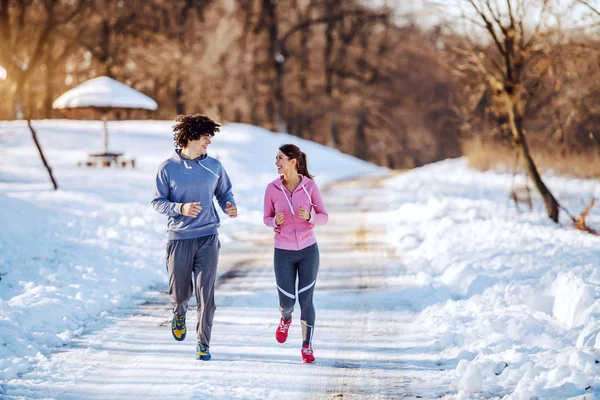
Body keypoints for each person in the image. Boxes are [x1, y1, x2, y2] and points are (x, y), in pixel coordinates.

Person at [152, 114, 237, 361]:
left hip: (208, 237)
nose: (208, 142)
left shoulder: (214, 166)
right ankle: (179, 313)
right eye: (204, 137)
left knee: (205, 294)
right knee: (180, 294)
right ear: (190, 137)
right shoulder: (167, 168)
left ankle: (203, 343)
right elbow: (157, 202)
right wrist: (180, 208)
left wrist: (229, 205)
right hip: (179, 239)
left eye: (210, 137)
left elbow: (224, 193)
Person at [263, 144, 329, 363]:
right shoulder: (272, 188)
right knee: (288, 302)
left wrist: (310, 216)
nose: (276, 162)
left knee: (306, 300)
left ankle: (307, 346)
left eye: (280, 158)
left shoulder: (309, 186)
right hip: (283, 252)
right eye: (276, 157)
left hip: (309, 250)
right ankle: (285, 318)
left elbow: (324, 215)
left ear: (293, 161)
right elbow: (266, 218)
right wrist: (275, 221)